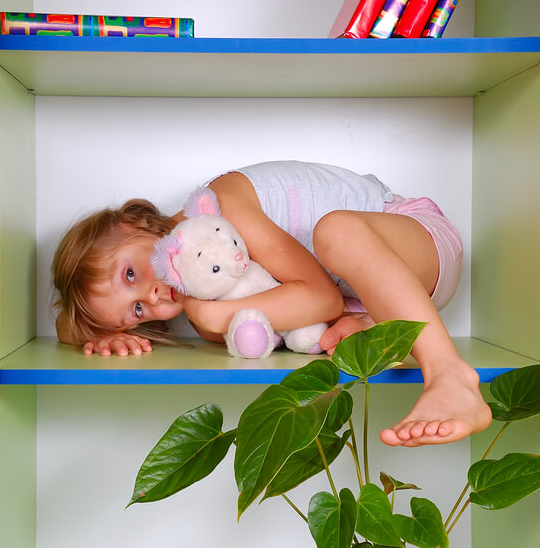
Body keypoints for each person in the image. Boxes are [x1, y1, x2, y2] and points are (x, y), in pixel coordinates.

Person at [52, 160, 492, 448]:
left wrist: (214, 316)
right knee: (333, 339)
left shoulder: (219, 209)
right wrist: (104, 332)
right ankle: (369, 324)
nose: (148, 295)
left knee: (334, 232)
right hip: (386, 302)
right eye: (137, 312)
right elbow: (67, 325)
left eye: (130, 274)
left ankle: (450, 375)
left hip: (419, 243)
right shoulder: (204, 305)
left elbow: (320, 296)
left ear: (132, 224)